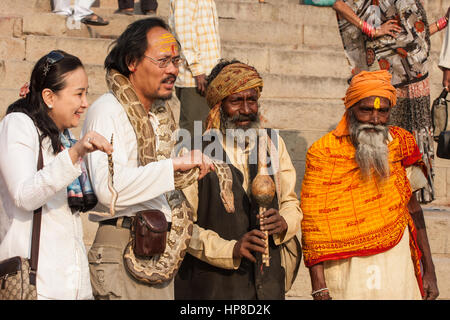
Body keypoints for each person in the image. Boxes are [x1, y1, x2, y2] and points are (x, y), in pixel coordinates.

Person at [82, 17, 214, 300]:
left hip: (156, 250)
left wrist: (181, 172)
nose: (173, 70)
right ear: (132, 62)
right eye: (163, 61)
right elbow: (109, 190)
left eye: (176, 62)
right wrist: (173, 167)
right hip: (122, 246)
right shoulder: (108, 110)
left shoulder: (160, 114)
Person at [300, 70, 439, 300]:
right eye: (366, 110)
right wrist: (318, 285)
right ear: (351, 109)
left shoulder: (400, 143)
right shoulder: (323, 153)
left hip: (396, 264)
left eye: (382, 111)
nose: (375, 119)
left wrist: (430, 270)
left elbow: (414, 209)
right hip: (346, 268)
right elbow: (313, 226)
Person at [174, 60, 302, 300]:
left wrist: (284, 222)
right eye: (236, 101)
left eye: (251, 100)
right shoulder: (193, 152)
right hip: (211, 288)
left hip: (266, 287)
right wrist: (230, 249)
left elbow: (291, 203)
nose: (246, 110)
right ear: (218, 105)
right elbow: (183, 227)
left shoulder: (273, 144)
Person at [0, 50, 113, 300]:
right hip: (35, 287)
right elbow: (23, 195)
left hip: (73, 287)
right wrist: (74, 154)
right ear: (49, 97)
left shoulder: (63, 139)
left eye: (86, 93)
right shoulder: (18, 125)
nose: (85, 103)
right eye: (79, 94)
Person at [332, 0, 450, 204]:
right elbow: (337, 3)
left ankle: (409, 199)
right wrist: (371, 29)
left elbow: (414, 35)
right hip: (388, 77)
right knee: (385, 141)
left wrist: (443, 22)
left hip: (417, 76)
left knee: (412, 146)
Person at [169, 0, 221, 139]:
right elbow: (184, 34)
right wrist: (198, 70)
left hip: (209, 76)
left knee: (207, 137)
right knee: (193, 138)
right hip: (195, 80)